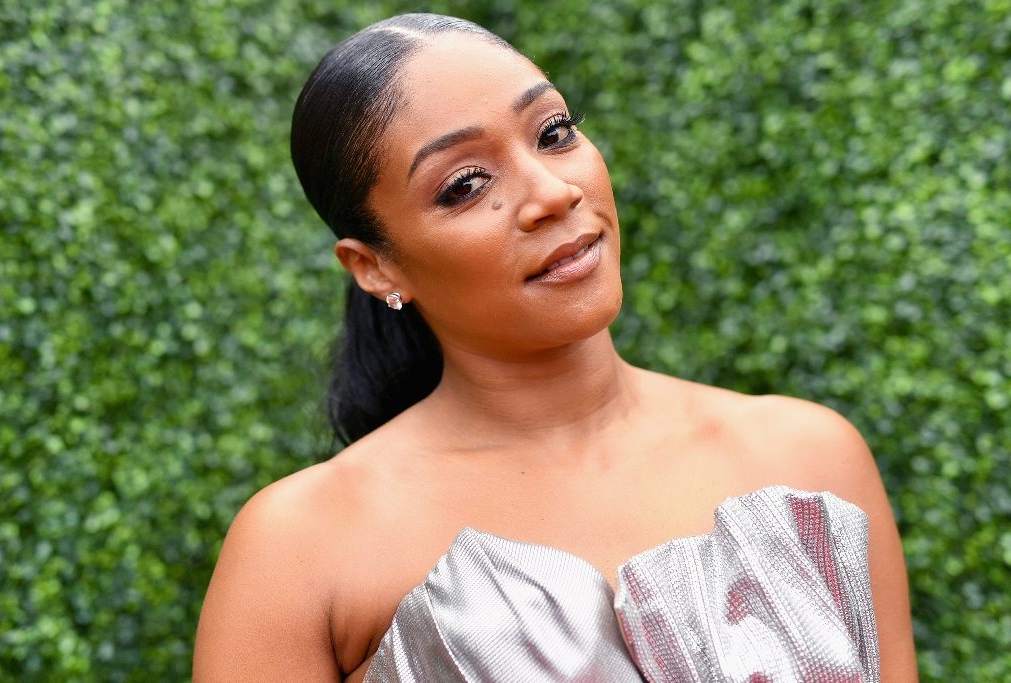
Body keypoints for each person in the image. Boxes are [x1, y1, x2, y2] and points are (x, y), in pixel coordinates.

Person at [193, 13, 917, 682]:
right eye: (465, 185)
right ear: (375, 266)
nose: (552, 192)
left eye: (554, 133)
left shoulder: (811, 459)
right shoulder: (301, 548)